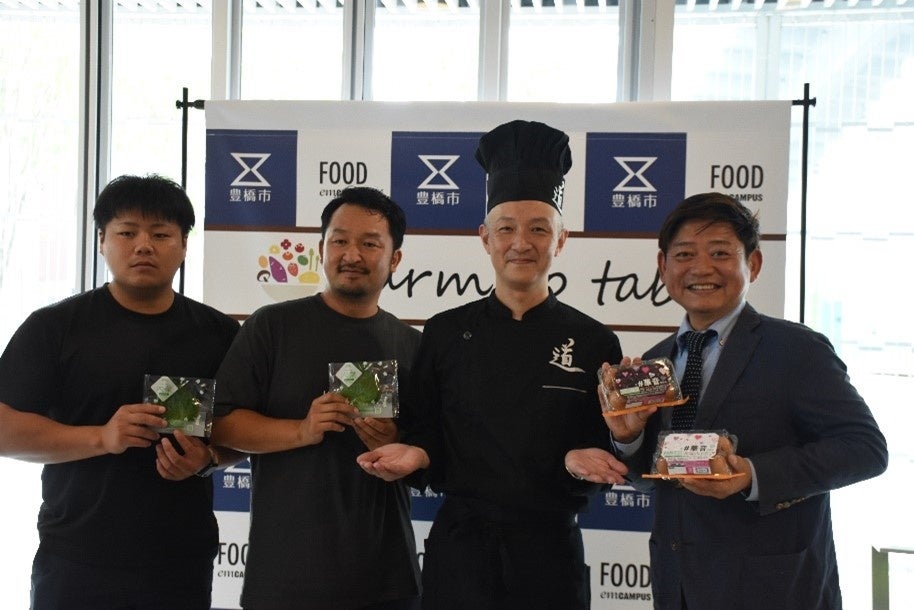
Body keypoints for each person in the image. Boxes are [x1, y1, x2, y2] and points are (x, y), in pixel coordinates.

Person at [357, 119, 629, 610]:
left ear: (561, 239)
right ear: (485, 238)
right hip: (461, 550)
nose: (521, 242)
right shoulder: (444, 332)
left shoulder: (595, 341)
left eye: (539, 228)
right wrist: (416, 453)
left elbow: (607, 439)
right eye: (506, 229)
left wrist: (581, 458)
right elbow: (426, 428)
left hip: (550, 553)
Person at [597, 192, 888, 609]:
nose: (701, 268)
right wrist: (628, 439)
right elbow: (653, 474)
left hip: (776, 589)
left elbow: (865, 450)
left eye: (720, 253)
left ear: (753, 264)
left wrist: (750, 474)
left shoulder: (797, 350)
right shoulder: (653, 364)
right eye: (684, 254)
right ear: (663, 266)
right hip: (677, 586)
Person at [0, 174, 241, 609]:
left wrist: (208, 459)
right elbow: (4, 430)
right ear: (101, 241)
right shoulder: (53, 328)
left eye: (161, 234)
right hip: (76, 556)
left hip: (180, 559)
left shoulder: (220, 334)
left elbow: (246, 428)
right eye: (127, 233)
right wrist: (101, 437)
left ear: (184, 245)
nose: (143, 246)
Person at [210, 186, 422, 610]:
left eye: (370, 244)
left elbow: (432, 450)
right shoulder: (272, 327)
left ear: (395, 258)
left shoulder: (413, 346)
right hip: (286, 576)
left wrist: (397, 442)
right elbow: (220, 424)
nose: (352, 254)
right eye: (339, 240)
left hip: (387, 578)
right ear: (321, 249)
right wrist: (301, 430)